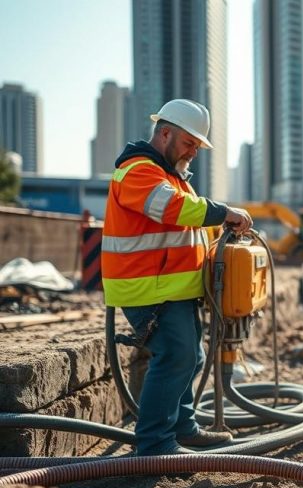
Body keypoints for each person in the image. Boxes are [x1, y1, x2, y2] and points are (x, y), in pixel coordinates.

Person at [101, 99, 253, 456]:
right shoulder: (137, 170)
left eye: (198, 146)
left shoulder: (171, 176)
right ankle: (154, 445)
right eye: (189, 143)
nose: (194, 152)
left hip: (173, 289)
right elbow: (172, 210)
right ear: (165, 133)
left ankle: (182, 427)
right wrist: (223, 212)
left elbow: (186, 228)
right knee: (176, 356)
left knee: (192, 357)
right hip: (149, 290)